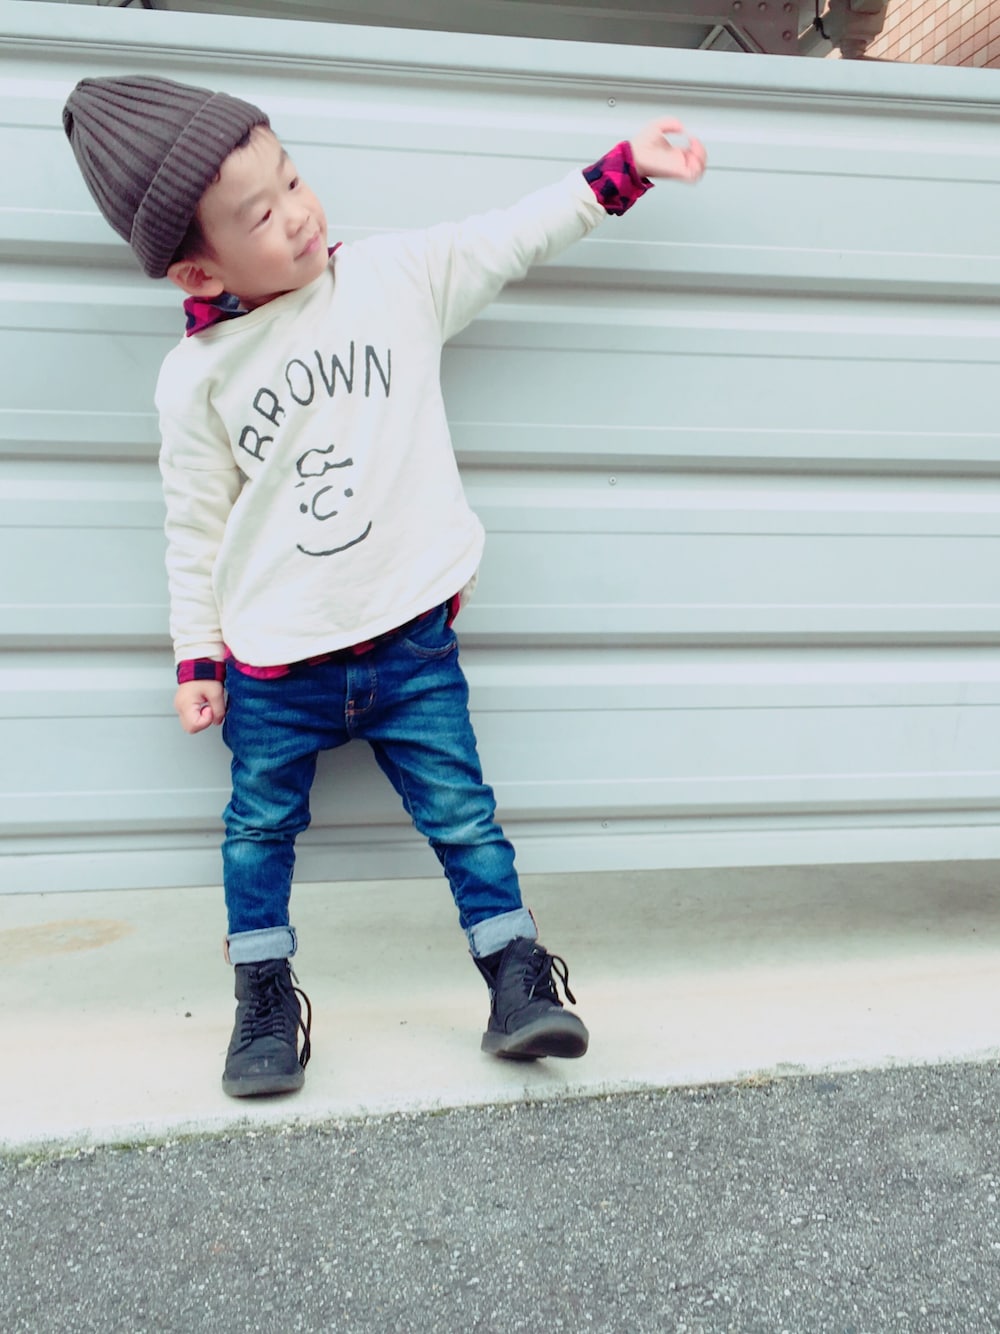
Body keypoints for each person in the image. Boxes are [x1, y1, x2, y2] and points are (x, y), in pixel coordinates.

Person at [62, 74, 706, 1099]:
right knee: (256, 834)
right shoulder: (196, 377)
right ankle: (263, 1001)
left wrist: (621, 173)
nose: (297, 213)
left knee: (465, 817)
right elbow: (194, 525)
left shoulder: (393, 279)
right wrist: (197, 656)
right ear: (197, 267)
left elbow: (509, 237)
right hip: (277, 664)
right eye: (258, 215)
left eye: (293, 179)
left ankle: (516, 979)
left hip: (411, 647)